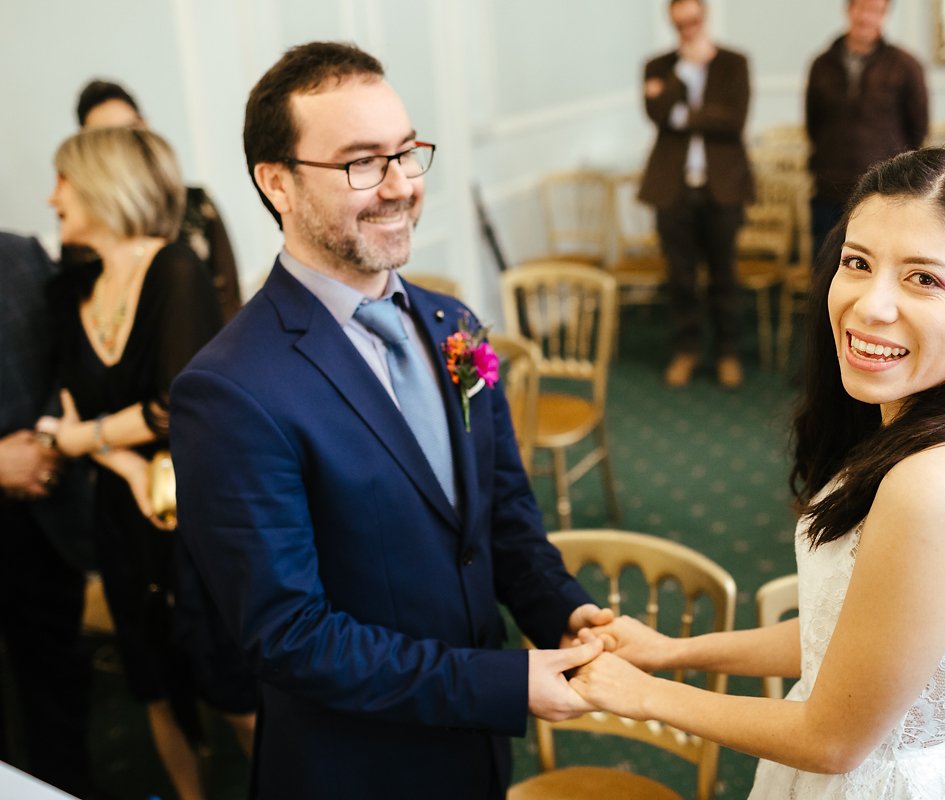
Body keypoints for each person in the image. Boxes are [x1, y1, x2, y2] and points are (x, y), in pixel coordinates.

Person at [168, 41, 611, 800]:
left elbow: (501, 516)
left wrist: (564, 613)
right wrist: (500, 683)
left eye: (408, 152)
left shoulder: (454, 326)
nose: (402, 185)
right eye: (362, 163)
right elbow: (290, 637)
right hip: (355, 768)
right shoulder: (228, 389)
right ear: (277, 183)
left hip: (477, 755)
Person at [569, 148, 945, 798]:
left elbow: (833, 740)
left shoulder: (936, 487)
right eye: (858, 263)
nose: (870, 305)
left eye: (923, 279)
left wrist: (645, 694)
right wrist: (673, 651)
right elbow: (849, 640)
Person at [46, 126, 255, 800]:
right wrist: (128, 465)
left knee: (229, 679)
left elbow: (175, 404)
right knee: (153, 683)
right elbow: (68, 407)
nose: (51, 199)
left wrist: (86, 442)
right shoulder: (71, 288)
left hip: (192, 512)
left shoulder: (174, 268)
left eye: (64, 183)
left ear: (104, 187)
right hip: (123, 511)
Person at [0, 227, 97, 797]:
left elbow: (69, 354)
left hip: (46, 517)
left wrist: (46, 440)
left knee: (60, 695)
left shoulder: (16, 253)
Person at [639, 0, 754, 389]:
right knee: (681, 277)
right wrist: (684, 73)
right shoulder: (658, 66)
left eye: (694, 18)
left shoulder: (734, 63)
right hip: (672, 189)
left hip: (722, 187)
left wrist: (682, 115)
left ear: (704, 16)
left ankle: (728, 353)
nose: (688, 25)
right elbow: (657, 115)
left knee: (724, 275)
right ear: (672, 20)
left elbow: (733, 120)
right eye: (680, 20)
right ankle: (686, 349)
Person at [70, 79, 244, 323]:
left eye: (132, 129)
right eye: (108, 138)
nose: (127, 145)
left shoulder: (196, 205)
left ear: (146, 126)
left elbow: (230, 300)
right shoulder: (85, 227)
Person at [805, 0, 928, 261]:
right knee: (825, 266)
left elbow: (918, 128)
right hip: (829, 187)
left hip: (884, 189)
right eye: (862, 8)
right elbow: (813, 123)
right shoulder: (821, 64)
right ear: (849, 11)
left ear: (884, 16)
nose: (867, 17)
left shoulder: (904, 65)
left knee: (878, 263)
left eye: (876, 11)